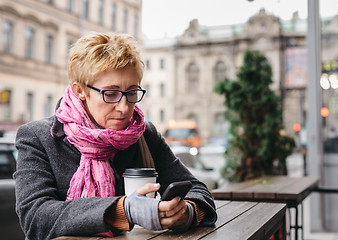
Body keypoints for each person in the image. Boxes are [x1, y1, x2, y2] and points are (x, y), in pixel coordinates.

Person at [14, 32, 217, 240]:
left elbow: (199, 193)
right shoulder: (37, 138)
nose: (124, 107)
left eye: (131, 93)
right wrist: (121, 210)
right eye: (110, 94)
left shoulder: (144, 135)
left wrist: (185, 213)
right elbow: (35, 218)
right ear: (80, 90)